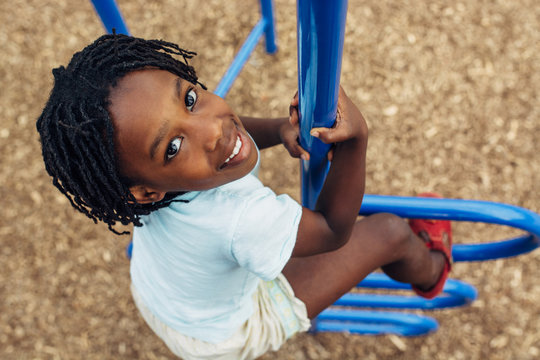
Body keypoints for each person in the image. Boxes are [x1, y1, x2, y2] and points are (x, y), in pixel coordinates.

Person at [36, 34, 452, 360]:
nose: (213, 130)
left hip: (162, 301)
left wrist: (277, 130)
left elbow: (224, 128)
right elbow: (332, 229)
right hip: (226, 333)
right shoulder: (240, 218)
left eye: (191, 98)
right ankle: (433, 269)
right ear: (148, 191)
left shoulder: (138, 186)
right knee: (391, 232)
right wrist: (356, 140)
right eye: (174, 147)